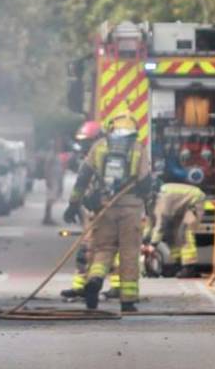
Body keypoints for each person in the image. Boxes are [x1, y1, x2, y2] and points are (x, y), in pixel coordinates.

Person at [63, 112, 151, 312]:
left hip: (104, 207)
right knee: (129, 252)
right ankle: (128, 300)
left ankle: (94, 280)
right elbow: (146, 181)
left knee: (103, 249)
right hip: (130, 209)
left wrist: (73, 203)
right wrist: (147, 204)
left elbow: (83, 177)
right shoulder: (138, 148)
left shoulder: (99, 146)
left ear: (111, 128)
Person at [60, 121, 102, 299]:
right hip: (94, 209)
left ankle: (86, 286)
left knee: (92, 248)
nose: (83, 146)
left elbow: (83, 184)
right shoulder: (91, 157)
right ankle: (81, 286)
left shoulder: (99, 157)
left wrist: (74, 204)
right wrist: (75, 205)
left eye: (87, 142)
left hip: (102, 210)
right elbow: (81, 186)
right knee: (90, 248)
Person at [147, 183, 204, 278]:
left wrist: (153, 244)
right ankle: (178, 265)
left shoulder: (162, 199)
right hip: (180, 205)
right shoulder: (150, 202)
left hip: (194, 201)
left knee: (184, 232)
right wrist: (146, 238)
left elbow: (161, 224)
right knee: (171, 233)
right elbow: (151, 223)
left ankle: (189, 267)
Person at [42, 138, 64, 225]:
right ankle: (47, 217)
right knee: (50, 198)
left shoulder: (56, 155)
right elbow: (46, 167)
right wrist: (48, 179)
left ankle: (47, 217)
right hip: (52, 179)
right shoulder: (51, 155)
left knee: (52, 198)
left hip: (56, 179)